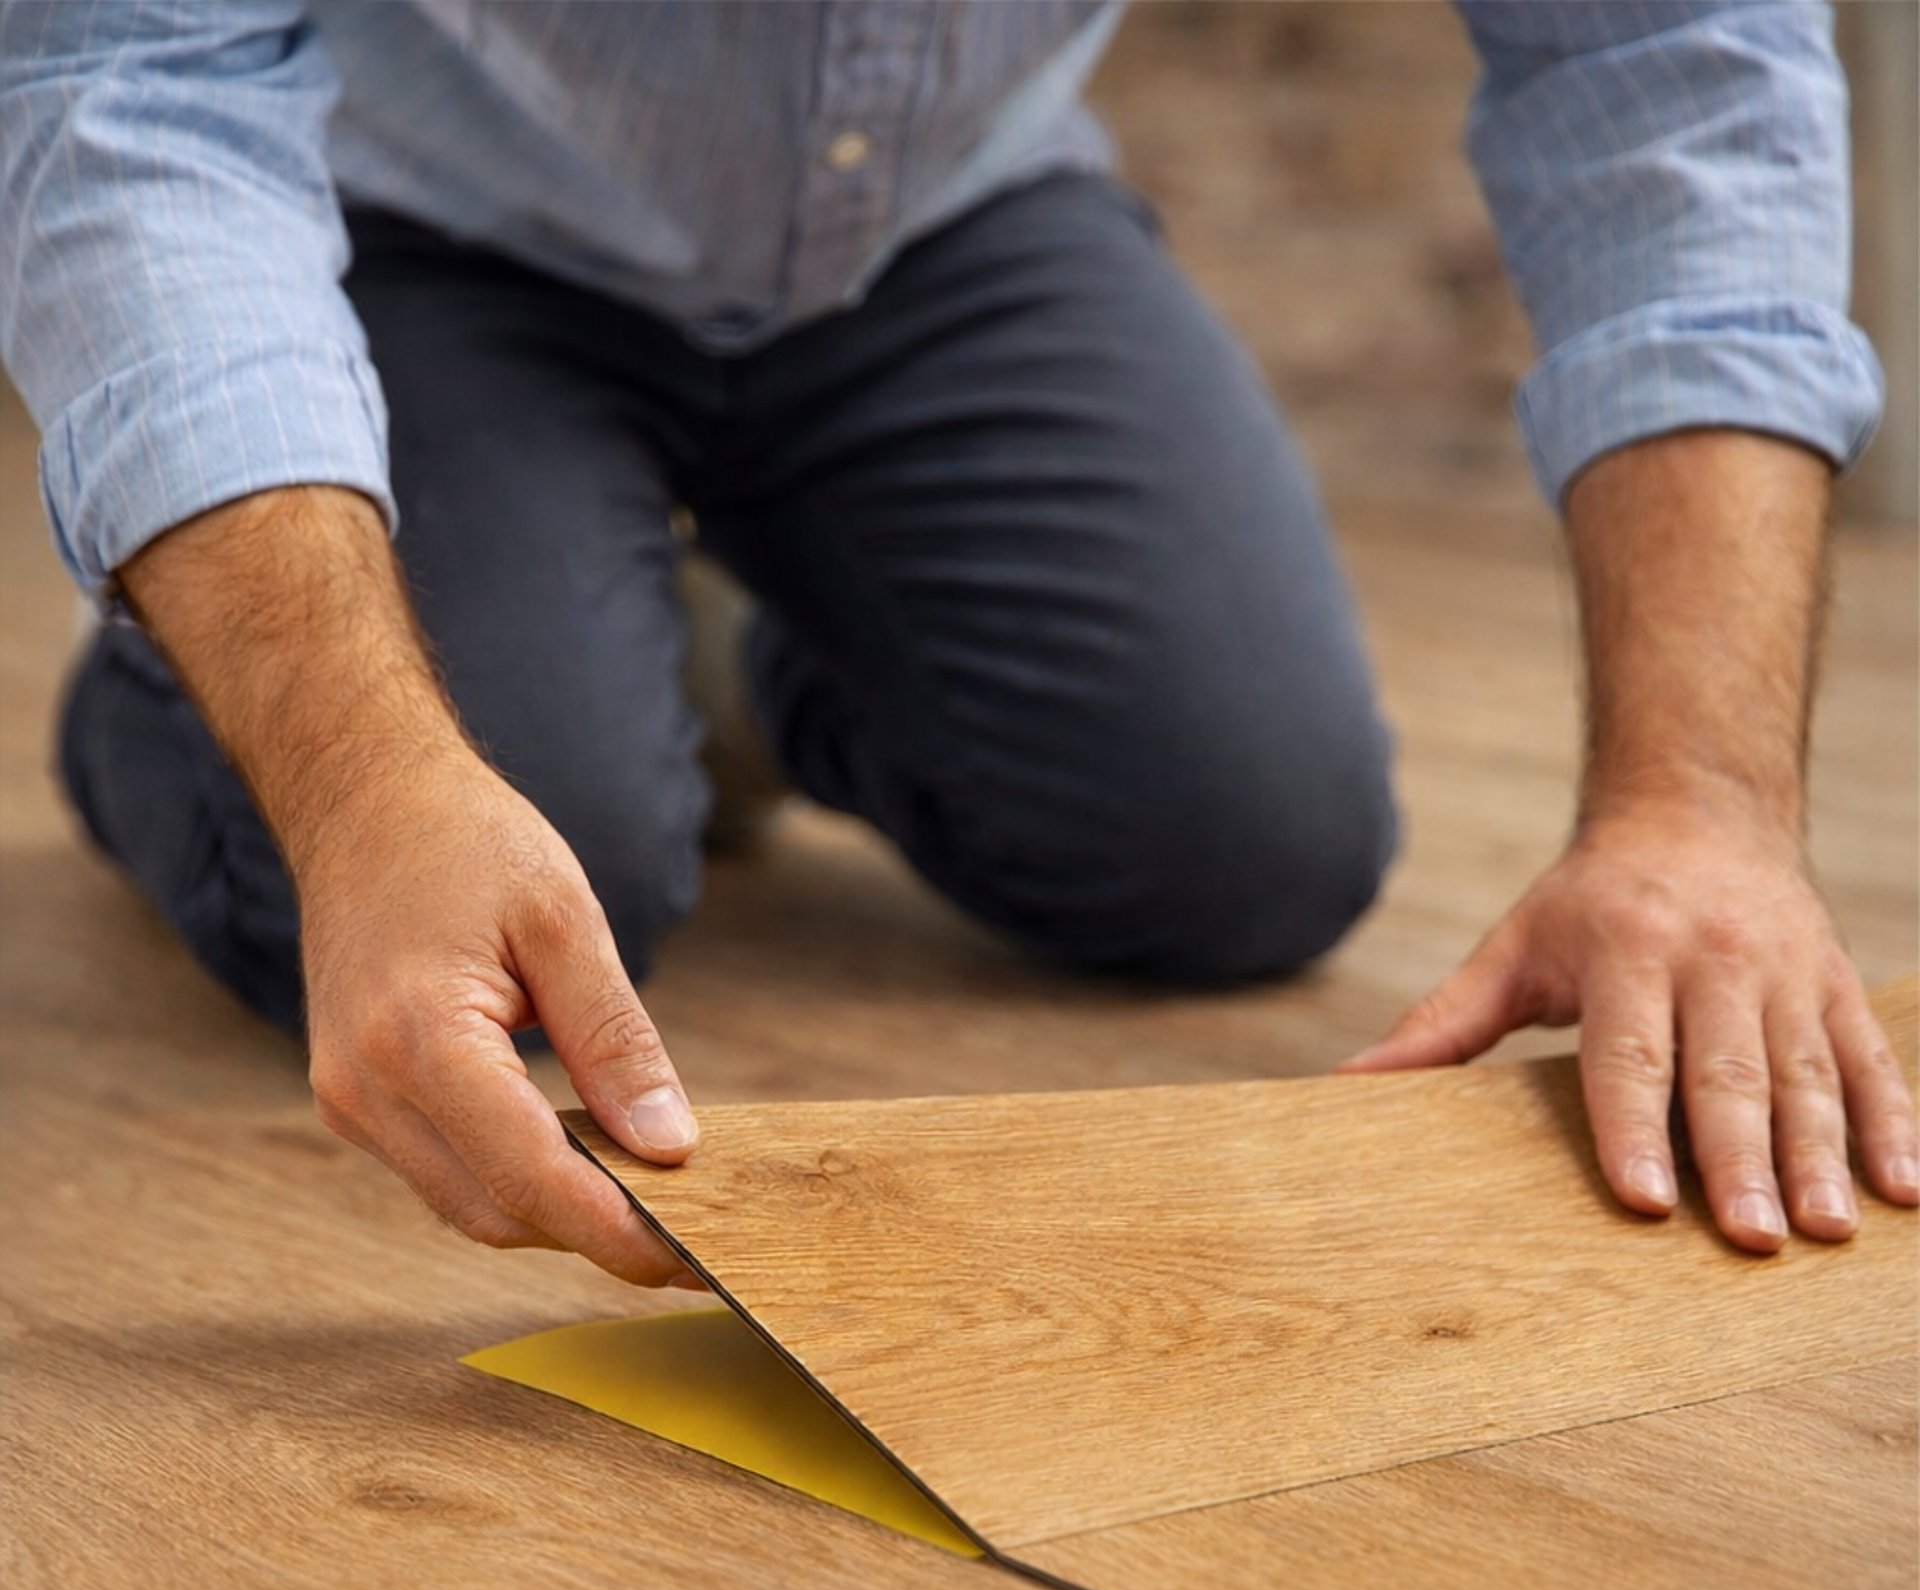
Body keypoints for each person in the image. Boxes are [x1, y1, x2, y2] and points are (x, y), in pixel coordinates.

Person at [2, 1, 1912, 1289]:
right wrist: (358, 778)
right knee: (559, 854)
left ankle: (719, 665)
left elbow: (1666, 56)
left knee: (1244, 839)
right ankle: (189, 682)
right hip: (401, 224)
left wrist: (1703, 796)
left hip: (935, 214)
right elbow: (125, 82)